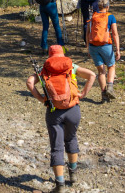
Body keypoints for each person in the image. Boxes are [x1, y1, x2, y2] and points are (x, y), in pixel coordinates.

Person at [26, 45, 96, 192]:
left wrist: (41, 98)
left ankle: (60, 185)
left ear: (50, 55)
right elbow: (92, 75)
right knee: (71, 139)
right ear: (62, 54)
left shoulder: (44, 69)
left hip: (53, 112)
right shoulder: (72, 66)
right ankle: (73, 174)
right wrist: (82, 94)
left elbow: (29, 82)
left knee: (57, 147)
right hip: (73, 110)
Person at [87, 0, 121, 102]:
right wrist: (118, 50)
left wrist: (88, 48)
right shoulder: (110, 17)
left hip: (93, 46)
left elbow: (87, 33)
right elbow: (115, 34)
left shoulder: (92, 17)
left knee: (101, 71)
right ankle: (110, 87)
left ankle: (104, 94)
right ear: (107, 6)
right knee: (111, 66)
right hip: (105, 45)